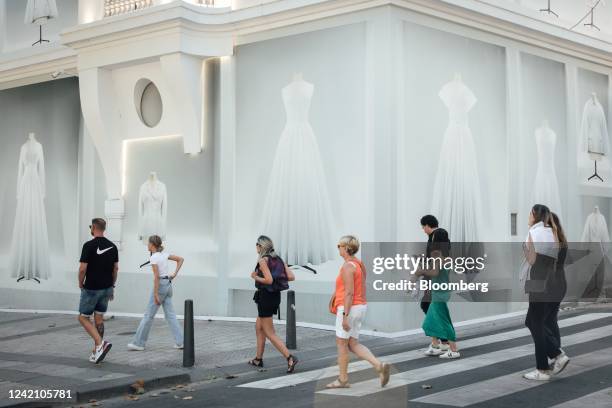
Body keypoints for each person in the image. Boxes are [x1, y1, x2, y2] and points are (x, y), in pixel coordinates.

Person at [326, 235, 390, 389]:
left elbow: (349, 293)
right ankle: (379, 366)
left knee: (342, 344)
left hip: (349, 308)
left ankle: (342, 380)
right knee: (353, 343)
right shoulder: (359, 264)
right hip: (360, 306)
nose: (338, 248)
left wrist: (345, 316)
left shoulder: (348, 266)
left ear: (347, 248)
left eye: (339, 246)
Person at [522, 205, 569, 381]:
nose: (528, 216)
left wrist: (525, 247)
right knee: (543, 322)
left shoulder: (535, 233)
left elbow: (532, 260)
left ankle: (549, 363)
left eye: (529, 213)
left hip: (539, 282)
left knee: (534, 323)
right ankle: (553, 359)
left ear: (535, 215)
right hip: (556, 283)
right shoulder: (555, 235)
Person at [248, 235, 299, 373]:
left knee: (270, 333)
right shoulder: (278, 259)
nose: (256, 248)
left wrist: (255, 276)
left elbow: (269, 280)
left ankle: (289, 357)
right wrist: (276, 276)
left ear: (260, 246)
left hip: (265, 298)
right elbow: (291, 277)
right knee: (259, 327)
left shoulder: (263, 261)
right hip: (275, 297)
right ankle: (258, 359)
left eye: (256, 245)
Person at [128, 235, 184, 350]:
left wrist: (155, 294)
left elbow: (156, 277)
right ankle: (181, 342)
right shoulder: (164, 255)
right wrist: (175, 274)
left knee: (148, 316)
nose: (147, 245)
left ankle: (138, 343)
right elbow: (181, 259)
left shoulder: (154, 258)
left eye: (148, 243)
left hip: (161, 286)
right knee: (171, 315)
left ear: (152, 244)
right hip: (168, 284)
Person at [415, 222, 460, 359]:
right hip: (440, 290)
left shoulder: (437, 254)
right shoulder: (445, 254)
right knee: (431, 321)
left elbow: (434, 272)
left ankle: (453, 349)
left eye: (433, 238)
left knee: (443, 321)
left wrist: (420, 270)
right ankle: (435, 346)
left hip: (440, 292)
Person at [78, 218, 117, 364]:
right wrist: (112, 287)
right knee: (99, 319)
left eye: (90, 227)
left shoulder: (88, 245)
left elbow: (83, 269)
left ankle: (100, 343)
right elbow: (115, 269)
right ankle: (97, 351)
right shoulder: (112, 246)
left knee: (82, 318)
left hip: (92, 289)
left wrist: (80, 283)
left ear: (93, 227)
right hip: (107, 288)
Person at [419, 215, 450, 356]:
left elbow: (438, 258)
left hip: (437, 279)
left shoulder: (439, 234)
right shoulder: (432, 237)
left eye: (423, 227)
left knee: (432, 308)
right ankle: (438, 343)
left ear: (427, 225)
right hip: (433, 278)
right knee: (429, 307)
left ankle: (444, 343)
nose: (423, 230)